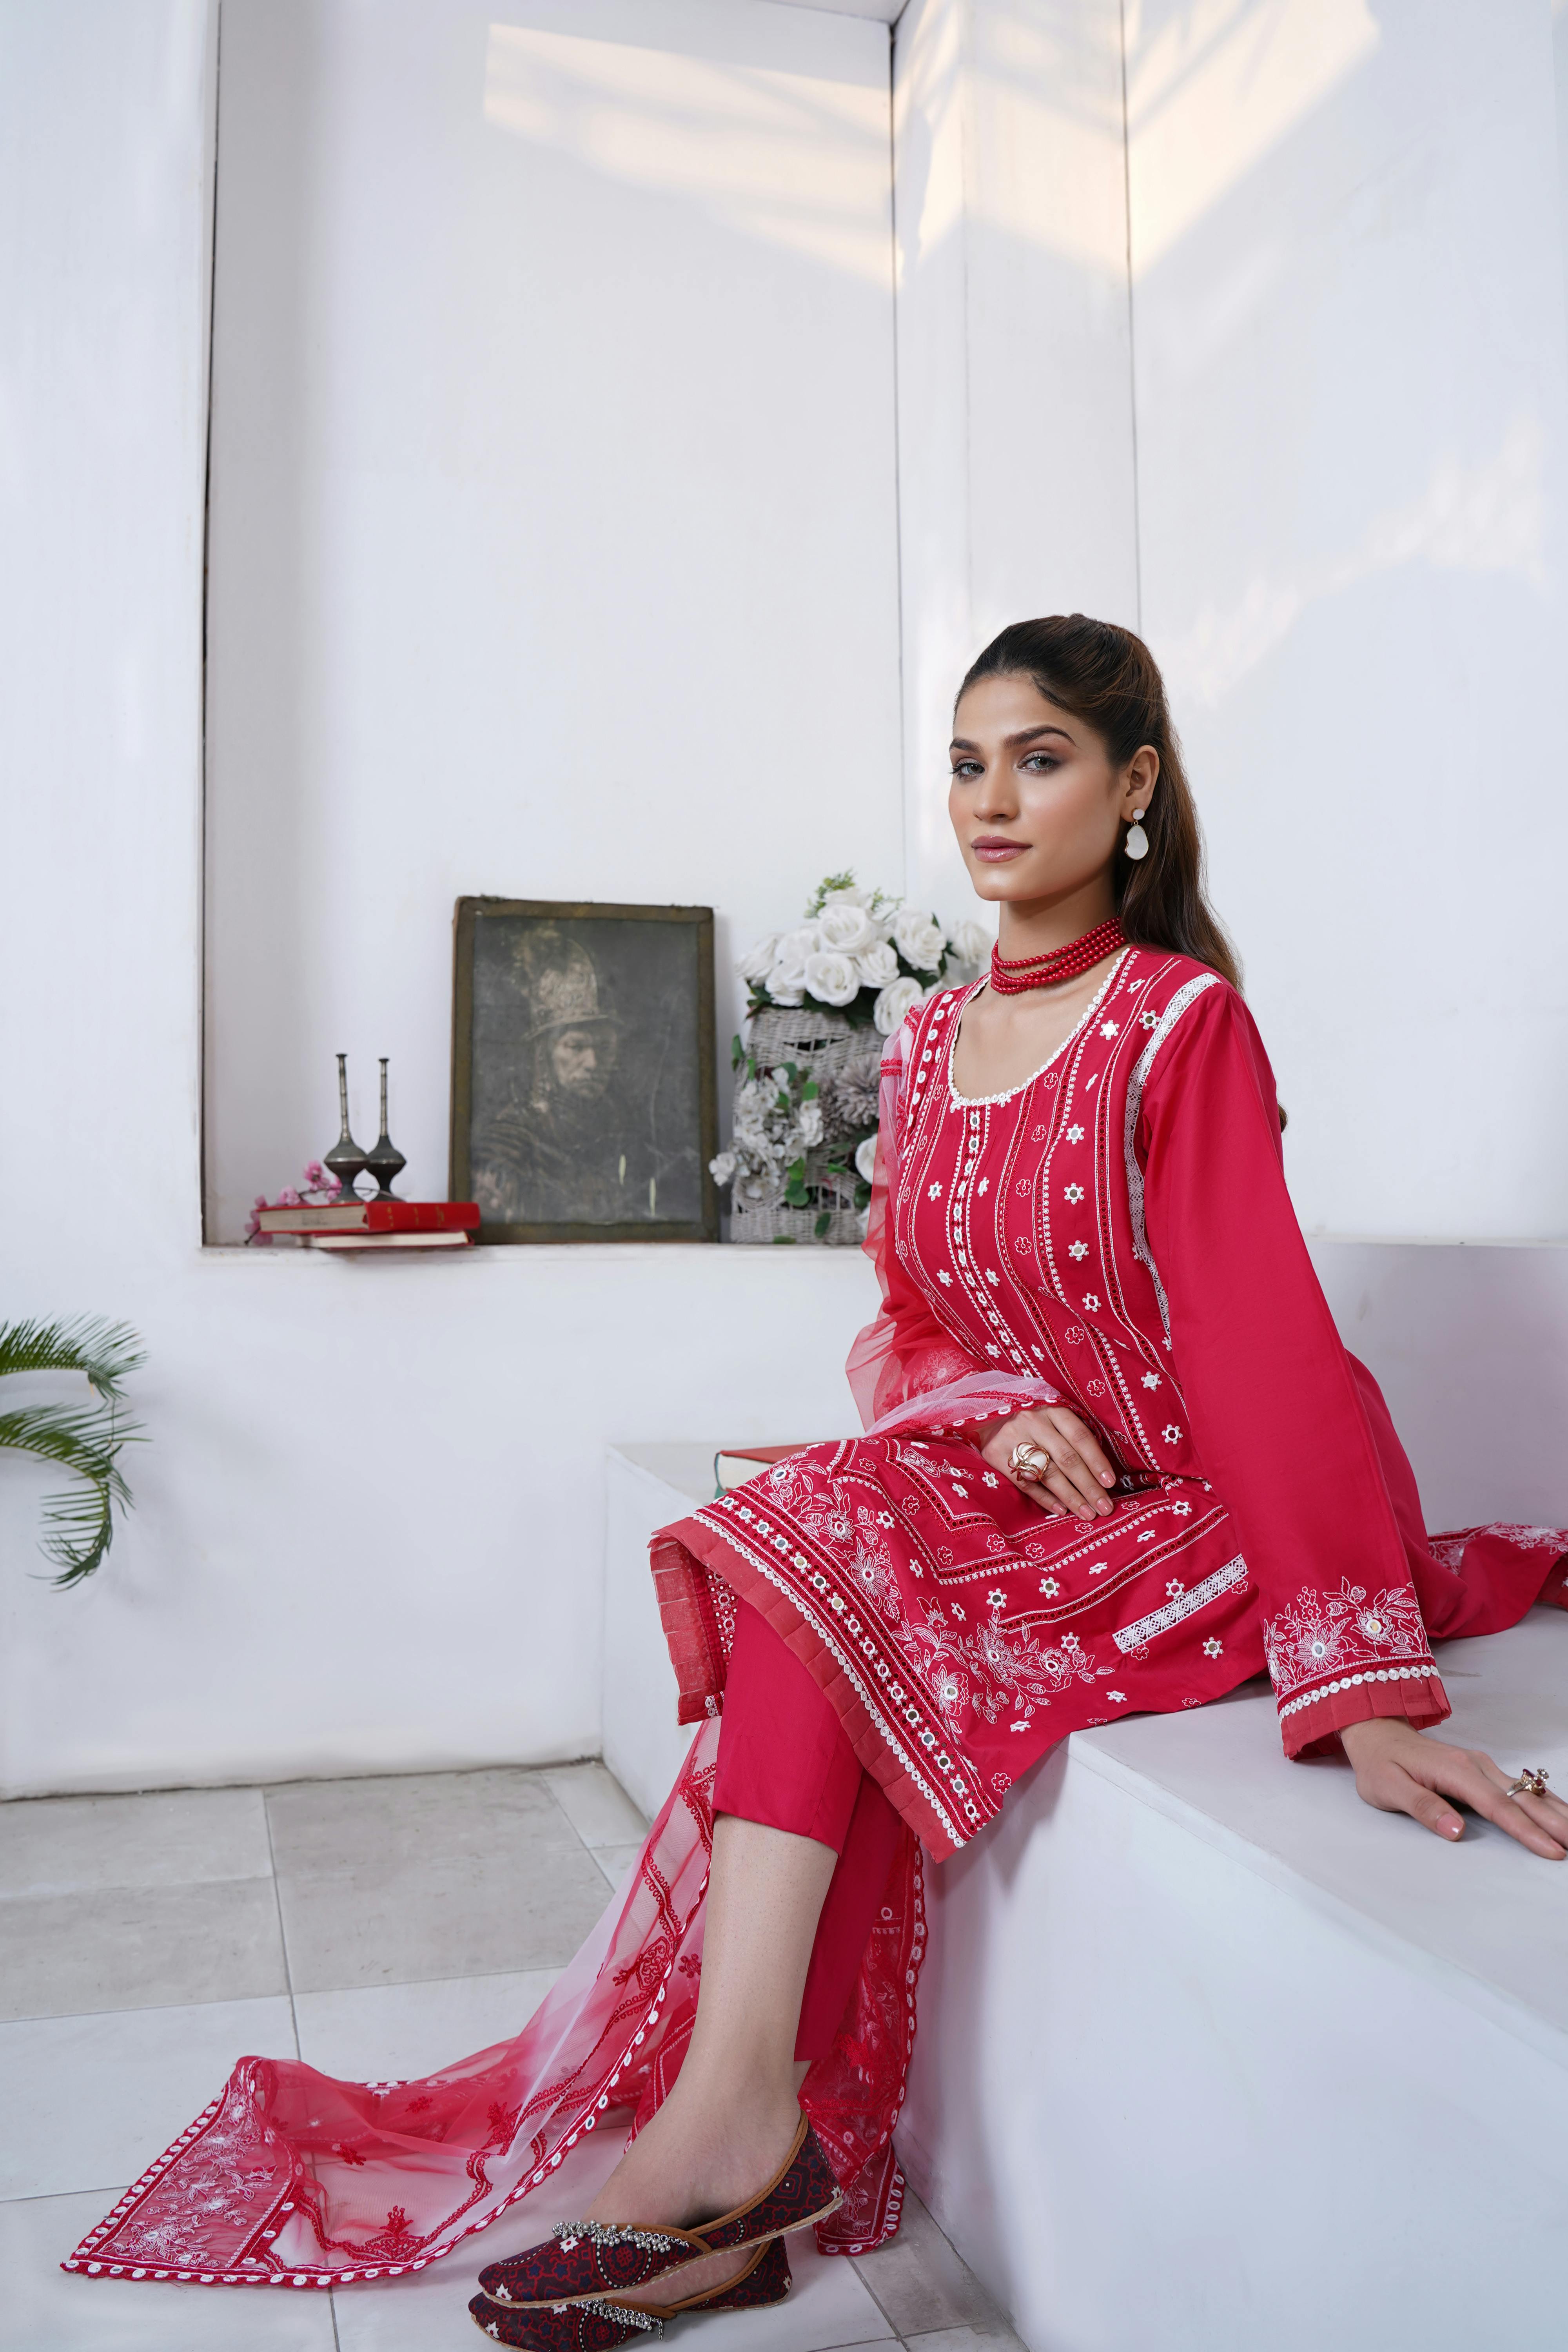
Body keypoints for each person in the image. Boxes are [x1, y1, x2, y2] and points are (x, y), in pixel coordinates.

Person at [65, 619, 1568, 2337]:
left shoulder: (1177, 1027)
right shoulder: (926, 1047)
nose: (991, 801)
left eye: (1042, 759)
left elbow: (1260, 1344)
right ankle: (744, 2121)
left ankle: (732, 2137)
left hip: (1214, 1504)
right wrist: (995, 1404)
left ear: (1135, 783)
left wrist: (1360, 1692)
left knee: (817, 1536)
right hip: (1038, 1483)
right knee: (798, 1527)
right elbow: (905, 1323)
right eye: (964, 760)